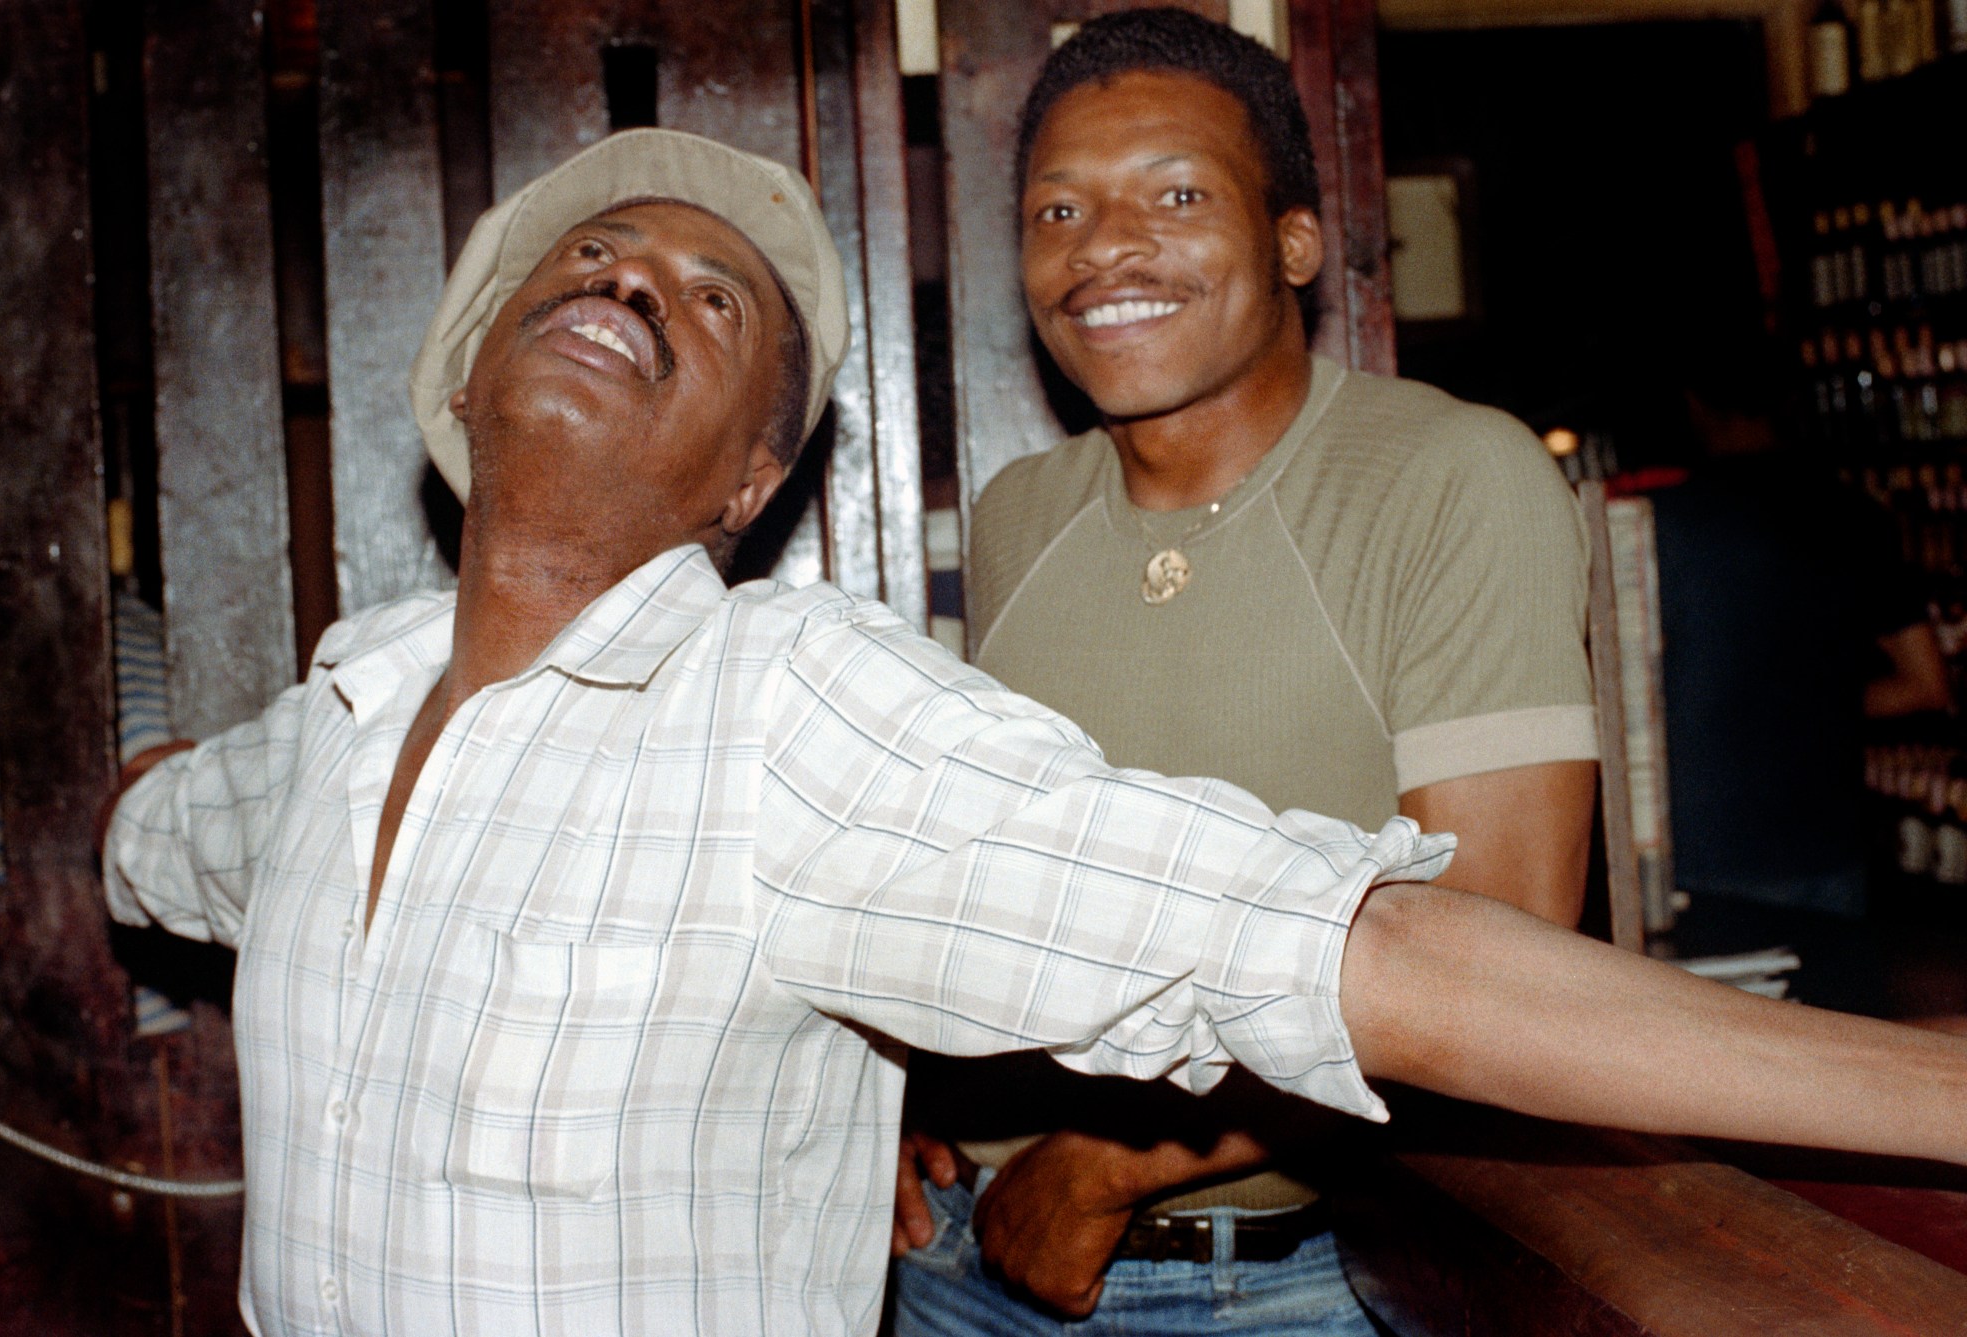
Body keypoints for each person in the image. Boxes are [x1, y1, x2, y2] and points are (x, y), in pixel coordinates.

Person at [101, 126, 1967, 1337]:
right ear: (471, 366)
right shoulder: (334, 719)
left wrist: (1935, 1096)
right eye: (589, 263)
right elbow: (156, 826)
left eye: (709, 295)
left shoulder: (784, 713)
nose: (629, 282)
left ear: (757, 477)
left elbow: (1342, 945)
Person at [893, 11, 1593, 1332]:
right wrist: (877, 1105)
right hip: (956, 1265)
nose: (1101, 246)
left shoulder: (1451, 477)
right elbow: (988, 896)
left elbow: (1509, 966)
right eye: (1057, 209)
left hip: (1265, 1282)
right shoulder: (1020, 512)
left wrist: (1111, 1171)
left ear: (1294, 241)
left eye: (1175, 193)